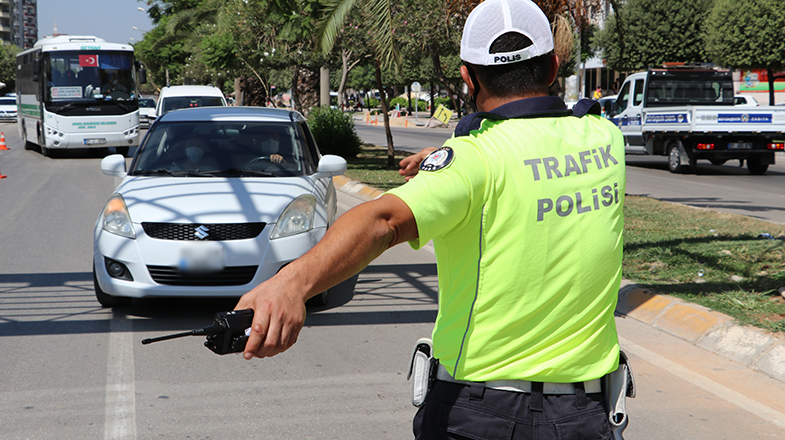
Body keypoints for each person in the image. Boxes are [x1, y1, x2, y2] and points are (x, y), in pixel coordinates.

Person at [233, 0, 626, 439]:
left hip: (481, 414)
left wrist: (291, 284)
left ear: (466, 75)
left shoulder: (474, 160)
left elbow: (384, 221)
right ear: (554, 66)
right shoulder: (605, 139)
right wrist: (448, 160)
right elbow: (523, 144)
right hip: (586, 415)